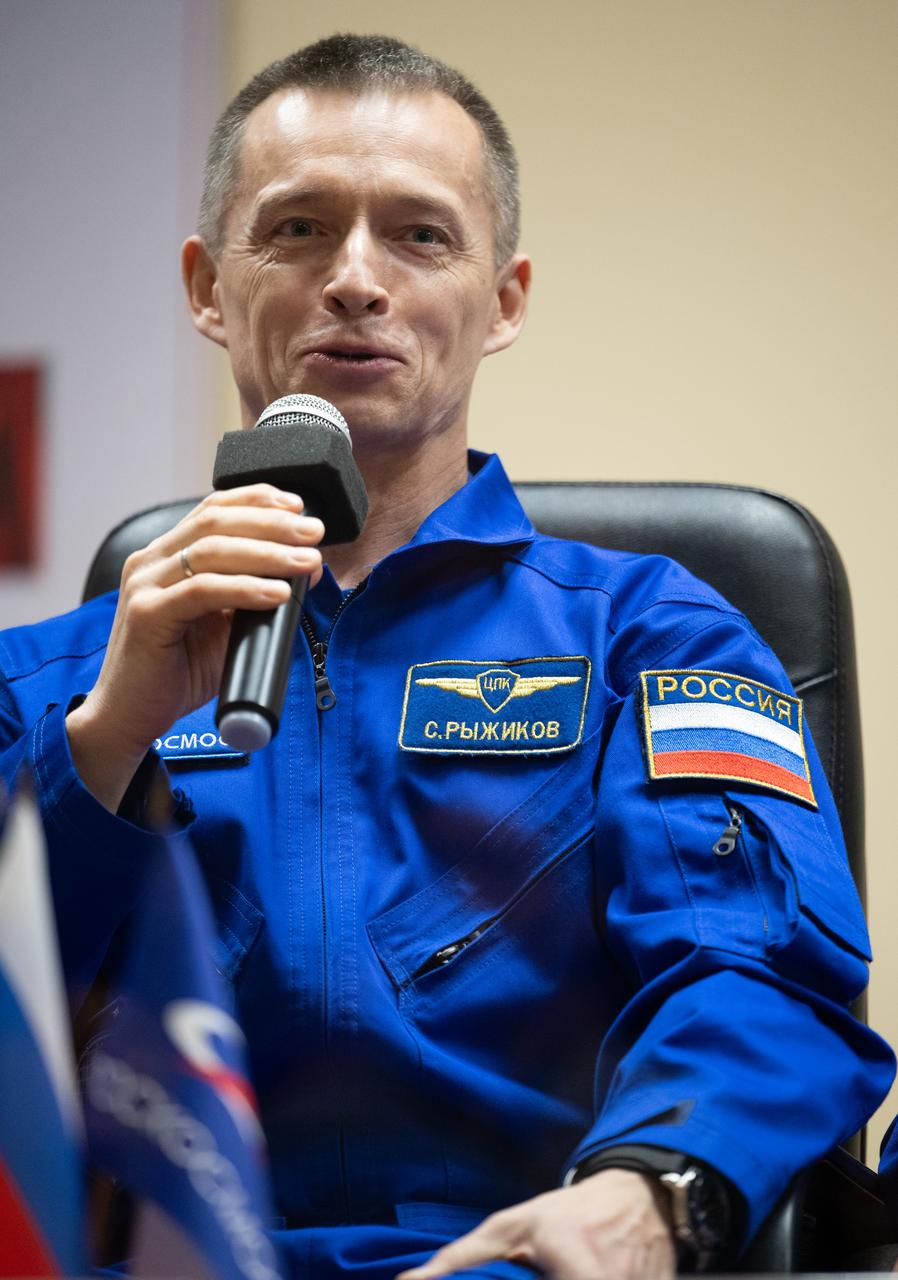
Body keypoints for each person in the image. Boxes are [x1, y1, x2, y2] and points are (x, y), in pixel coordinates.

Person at [0, 33, 892, 1280]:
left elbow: (750, 971)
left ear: (504, 296)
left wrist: (648, 1191)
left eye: (419, 234)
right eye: (298, 228)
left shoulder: (653, 635)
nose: (354, 279)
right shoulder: (41, 685)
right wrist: (98, 742)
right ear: (208, 285)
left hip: (516, 1256)